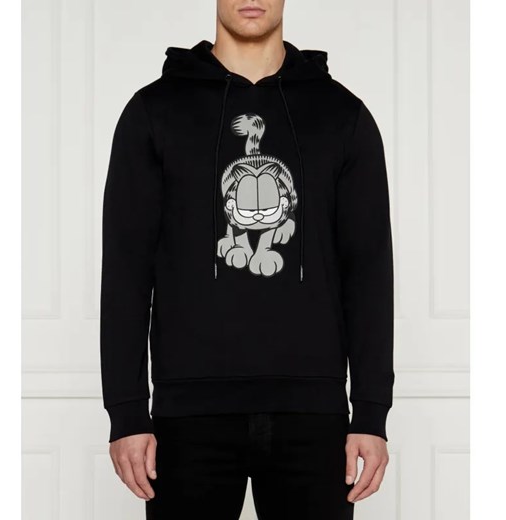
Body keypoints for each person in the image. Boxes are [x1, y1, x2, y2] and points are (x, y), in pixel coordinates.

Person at [100, 1, 394, 518]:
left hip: (313, 416)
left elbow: (368, 271)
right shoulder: (154, 112)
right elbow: (126, 269)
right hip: (187, 417)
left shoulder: (342, 115)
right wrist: (126, 412)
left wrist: (371, 412)